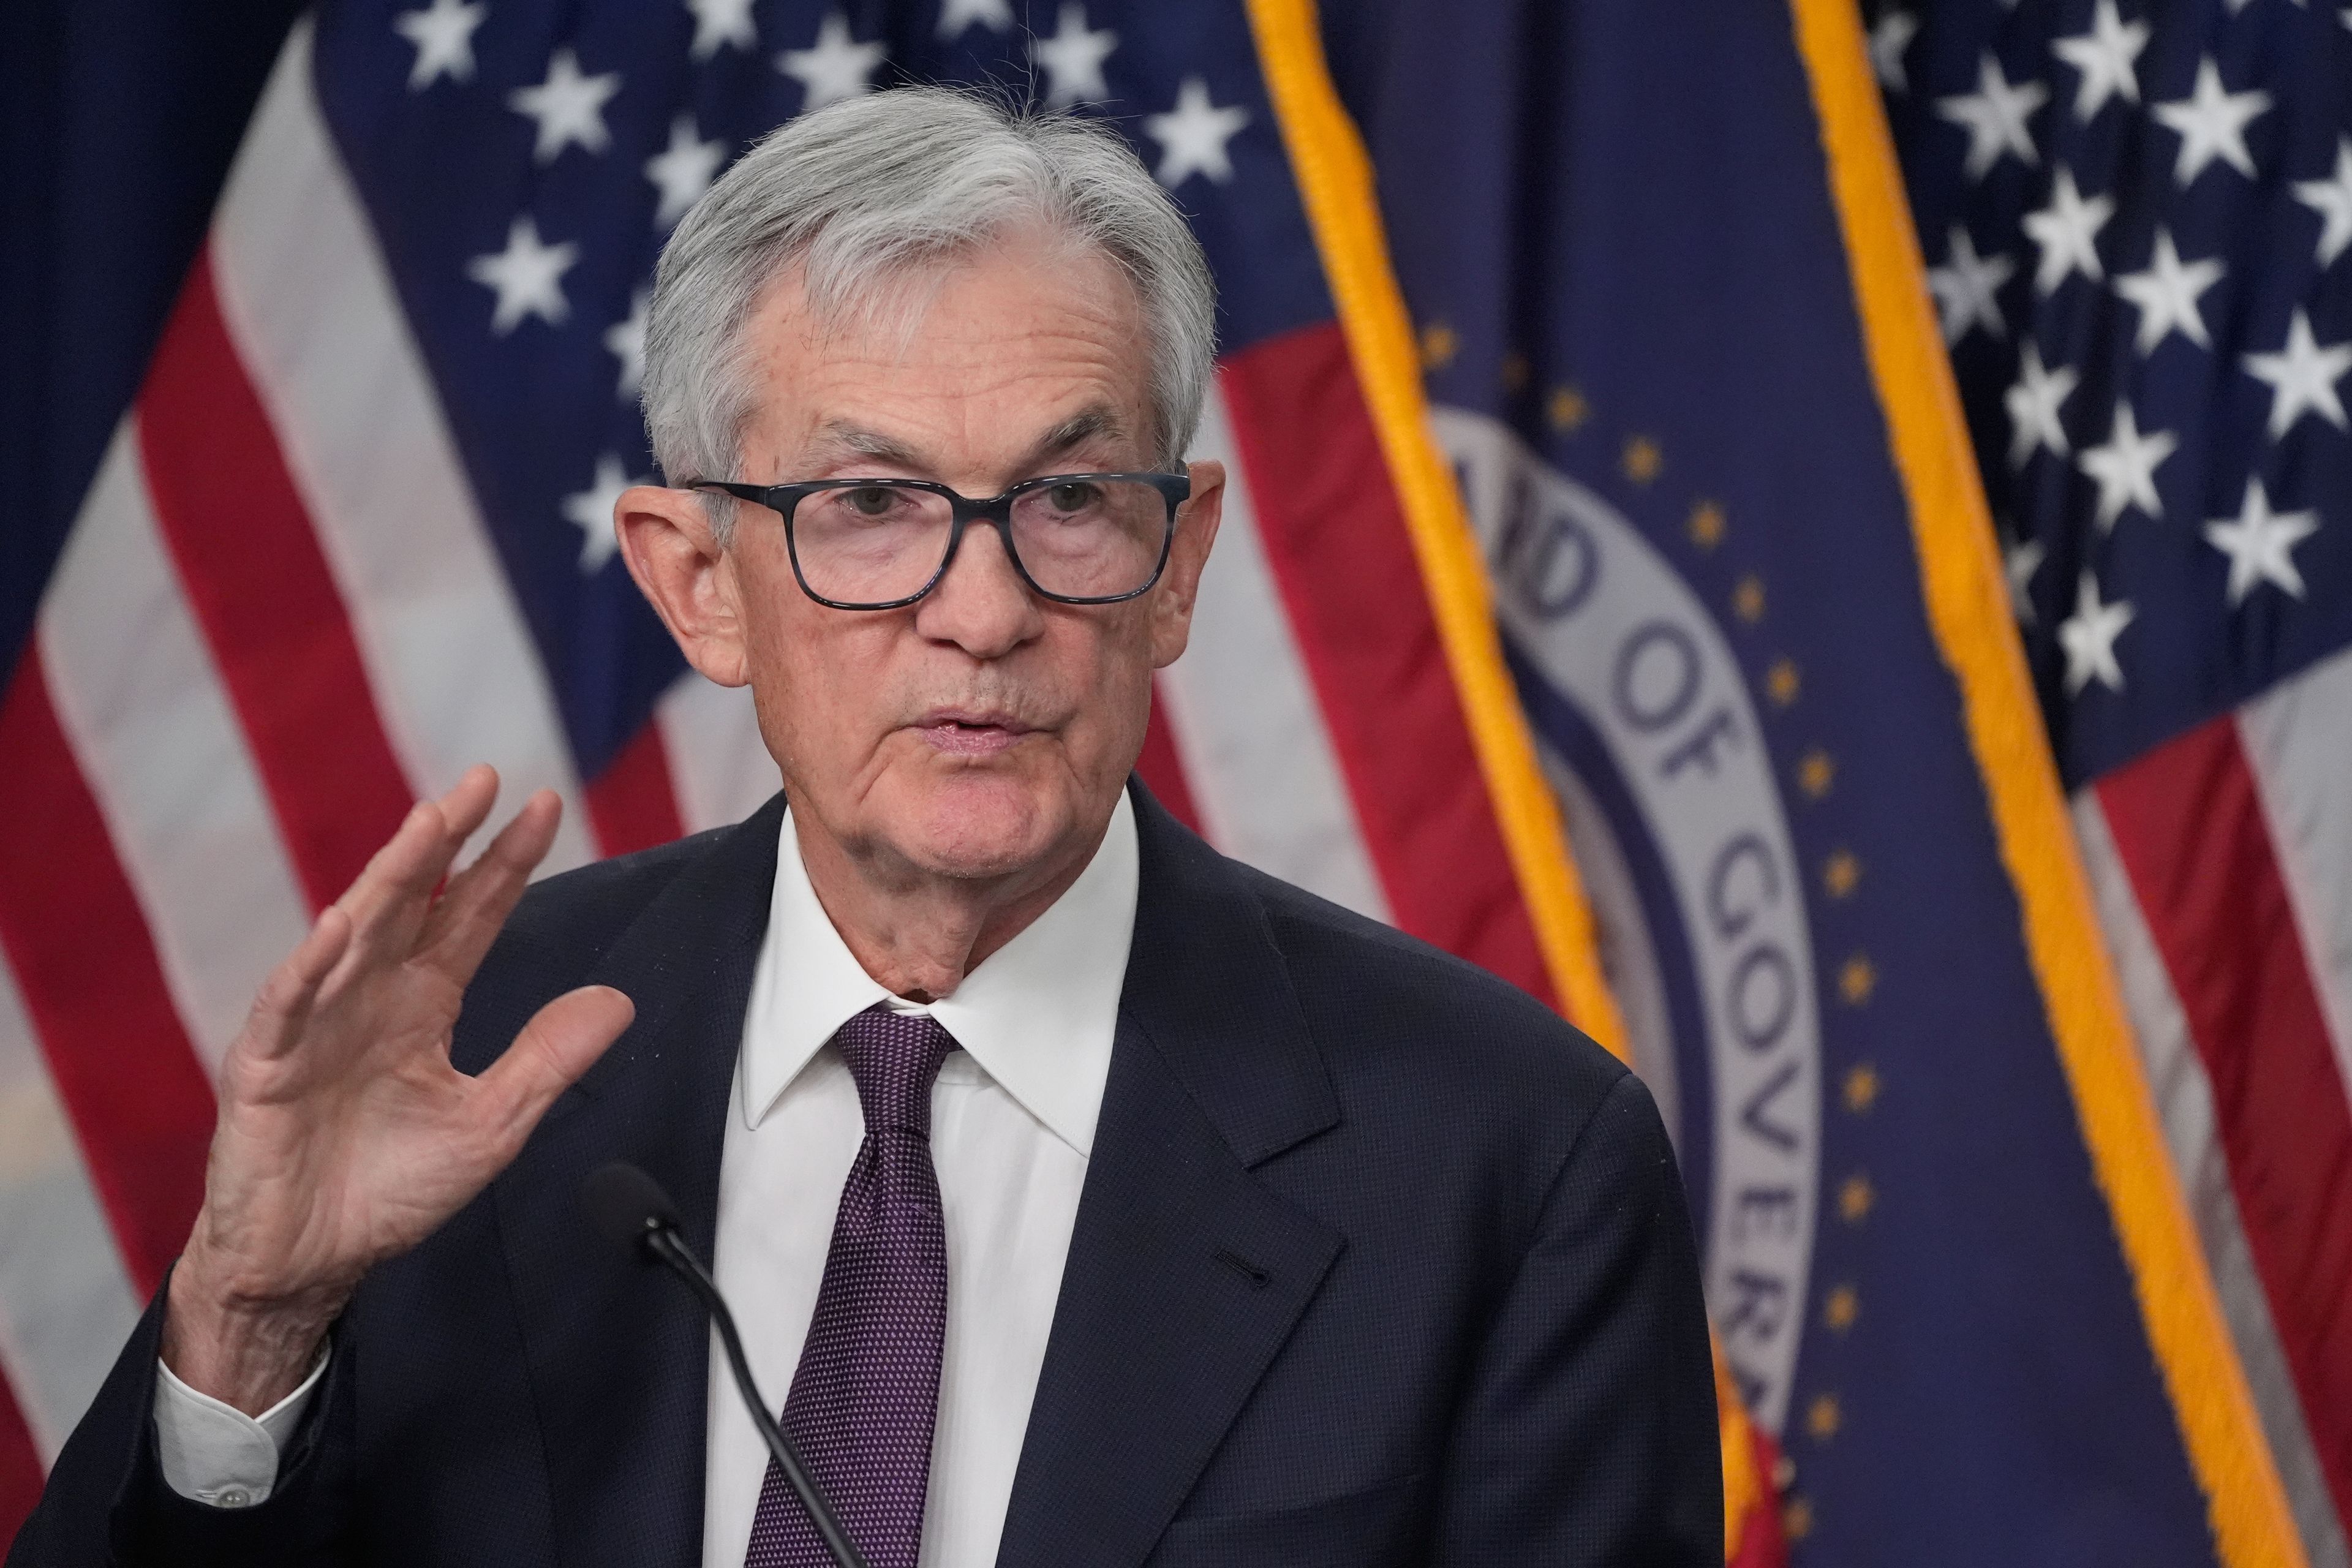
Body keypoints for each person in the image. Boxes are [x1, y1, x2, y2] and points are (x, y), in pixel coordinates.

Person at [9, 88, 1719, 1567]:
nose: (982, 609)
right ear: (699, 585)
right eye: (873, 506)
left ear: (1178, 564)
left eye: (1066, 498)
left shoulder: (1506, 1163)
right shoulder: (459, 1054)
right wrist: (250, 1327)